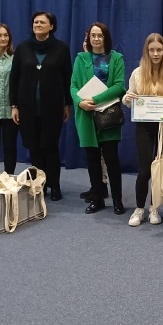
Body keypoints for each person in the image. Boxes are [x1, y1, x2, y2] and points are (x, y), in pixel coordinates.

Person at [10, 11, 72, 200]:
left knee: (50, 147)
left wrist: (67, 104)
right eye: (35, 22)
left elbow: (67, 78)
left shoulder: (61, 48)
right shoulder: (23, 48)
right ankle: (40, 186)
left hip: (53, 108)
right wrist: (14, 105)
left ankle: (55, 186)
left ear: (51, 26)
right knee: (34, 148)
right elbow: (14, 78)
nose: (37, 25)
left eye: (42, 22)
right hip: (27, 108)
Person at [124, 33, 163, 227]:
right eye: (152, 50)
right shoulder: (137, 73)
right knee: (144, 169)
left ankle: (154, 207)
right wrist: (127, 99)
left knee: (160, 169)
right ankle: (139, 208)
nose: (156, 54)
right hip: (144, 127)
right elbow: (129, 96)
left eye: (159, 50)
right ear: (146, 52)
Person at [70, 22, 126, 215]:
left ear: (105, 38)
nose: (96, 39)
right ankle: (97, 199)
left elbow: (119, 86)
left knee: (112, 160)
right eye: (92, 35)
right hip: (86, 116)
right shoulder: (81, 58)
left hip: (109, 116)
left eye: (99, 35)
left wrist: (95, 99)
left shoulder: (116, 58)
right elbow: (73, 86)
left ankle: (117, 200)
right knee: (92, 161)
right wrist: (80, 103)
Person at [79, 31, 109, 202]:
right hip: (88, 108)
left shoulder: (106, 59)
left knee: (104, 154)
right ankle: (96, 186)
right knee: (92, 153)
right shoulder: (83, 60)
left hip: (104, 107)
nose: (89, 42)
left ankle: (102, 186)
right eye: (87, 39)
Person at [0, 23, 19, 174]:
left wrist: (16, 106)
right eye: (0, 35)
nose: (3, 38)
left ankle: (8, 179)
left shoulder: (15, 59)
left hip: (10, 111)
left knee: (10, 147)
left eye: (5, 35)